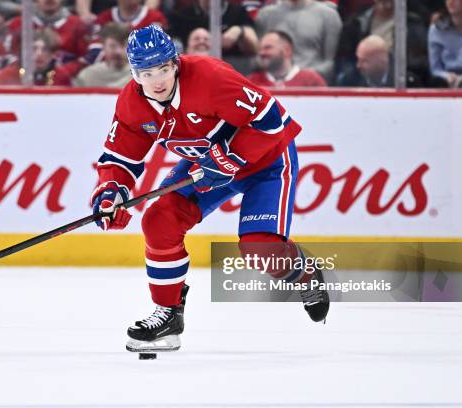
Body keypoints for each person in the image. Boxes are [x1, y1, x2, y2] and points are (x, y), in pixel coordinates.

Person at [90, 24, 329, 353]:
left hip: (267, 161)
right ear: (133, 73)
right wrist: (111, 192)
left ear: (175, 62)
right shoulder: (133, 103)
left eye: (163, 68)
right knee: (159, 220)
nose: (157, 80)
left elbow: (272, 120)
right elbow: (120, 158)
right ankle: (168, 315)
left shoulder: (209, 77)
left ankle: (304, 274)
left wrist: (229, 157)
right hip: (207, 165)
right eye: (146, 73)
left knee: (260, 251)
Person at [255, 0, 342, 82]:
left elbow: (330, 62)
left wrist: (301, 76)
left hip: (312, 84)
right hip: (271, 82)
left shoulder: (328, 15)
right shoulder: (265, 15)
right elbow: (259, 55)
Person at [0, 29, 80, 86]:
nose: (39, 54)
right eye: (34, 48)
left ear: (54, 54)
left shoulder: (61, 77)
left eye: (45, 49)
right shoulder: (8, 75)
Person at [248, 30, 327, 87]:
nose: (261, 53)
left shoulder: (311, 80)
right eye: (260, 49)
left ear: (287, 50)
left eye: (268, 47)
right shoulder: (252, 81)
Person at [336, 34, 420, 87]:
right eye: (358, 59)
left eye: (364, 61)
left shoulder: (405, 82)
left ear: (382, 61)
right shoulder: (349, 81)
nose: (358, 65)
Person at [73, 23, 132, 88]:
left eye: (123, 46)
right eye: (113, 46)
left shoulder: (140, 76)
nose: (118, 52)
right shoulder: (87, 76)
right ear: (104, 47)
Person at [428, 0, 462, 88]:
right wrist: (446, 76)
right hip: (447, 84)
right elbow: (435, 69)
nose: (451, 1)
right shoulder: (436, 30)